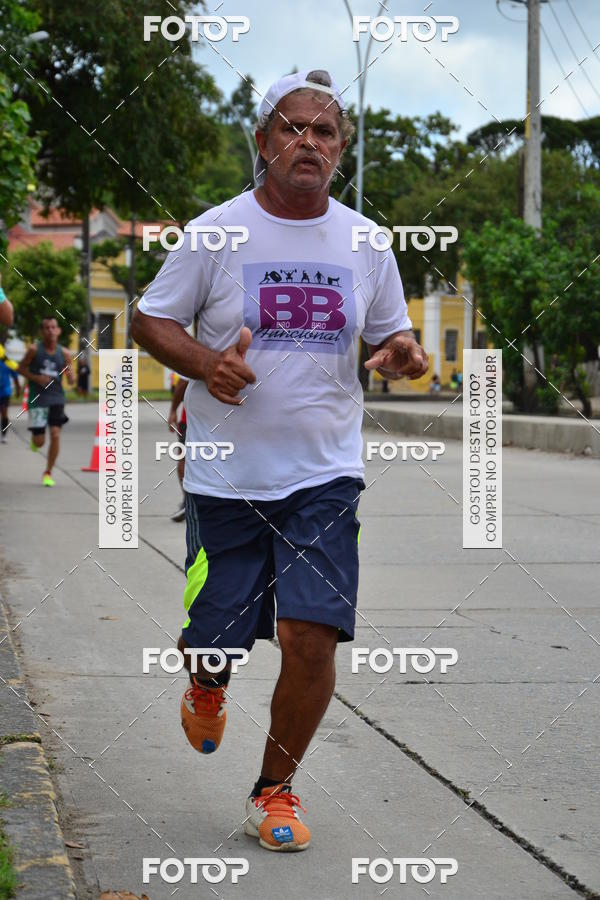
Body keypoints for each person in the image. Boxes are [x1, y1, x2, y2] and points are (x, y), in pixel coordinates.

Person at [131, 68, 428, 852]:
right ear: (263, 142)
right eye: (292, 128)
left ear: (340, 150)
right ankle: (207, 679)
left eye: (324, 132)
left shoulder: (367, 241)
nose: (308, 142)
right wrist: (203, 364)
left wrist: (400, 354)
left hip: (325, 473)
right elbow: (150, 319)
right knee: (216, 634)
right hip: (226, 475)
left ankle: (276, 789)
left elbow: (388, 341)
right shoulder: (216, 231)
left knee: (311, 636)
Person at [18, 316, 75, 486]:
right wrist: (36, 378)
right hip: (38, 398)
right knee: (40, 441)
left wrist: (71, 376)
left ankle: (48, 472)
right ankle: (35, 440)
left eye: (53, 327)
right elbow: (21, 368)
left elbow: (71, 380)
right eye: (47, 328)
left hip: (57, 397)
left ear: (58, 331)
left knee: (56, 434)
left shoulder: (64, 353)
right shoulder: (34, 350)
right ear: (42, 332)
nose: (51, 330)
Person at [168, 376, 189, 522]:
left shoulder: (196, 353)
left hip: (192, 419)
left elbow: (183, 381)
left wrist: (173, 410)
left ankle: (187, 501)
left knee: (184, 458)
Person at [0, 348, 20, 443]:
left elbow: (15, 377)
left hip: (4, 391)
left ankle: (4, 435)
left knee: (4, 412)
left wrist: (18, 389)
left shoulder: (8, 363)